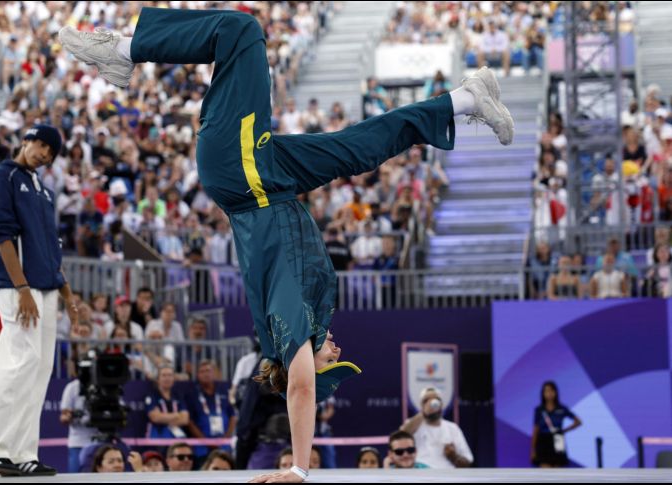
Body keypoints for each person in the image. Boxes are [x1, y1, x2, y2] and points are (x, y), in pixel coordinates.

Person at [61, 9, 513, 481]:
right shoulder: (303, 317)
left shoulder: (289, 326)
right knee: (359, 147)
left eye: (330, 364)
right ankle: (463, 100)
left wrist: (299, 467)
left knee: (241, 30)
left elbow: (300, 388)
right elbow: (302, 379)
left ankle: (121, 52)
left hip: (245, 176)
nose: (338, 353)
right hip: (271, 180)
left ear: (305, 364)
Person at [0, 124, 79, 477]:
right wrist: (21, 289)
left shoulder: (43, 191)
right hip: (18, 285)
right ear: (27, 140)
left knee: (39, 369)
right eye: (42, 145)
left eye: (51, 152)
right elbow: (0, 234)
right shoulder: (1, 178)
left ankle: (21, 452)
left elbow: (51, 247)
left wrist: (67, 295)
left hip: (47, 286)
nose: (45, 154)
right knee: (19, 359)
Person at [400, 388, 473, 469]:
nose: (431, 403)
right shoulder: (413, 423)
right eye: (426, 401)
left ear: (441, 404)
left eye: (436, 400)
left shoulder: (452, 428)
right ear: (421, 406)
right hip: (421, 474)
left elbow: (468, 461)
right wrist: (424, 413)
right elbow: (401, 436)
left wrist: (453, 456)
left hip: (447, 475)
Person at [531, 381, 582, 468]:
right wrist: (533, 449)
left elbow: (578, 421)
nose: (549, 393)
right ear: (543, 393)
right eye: (546, 391)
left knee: (558, 470)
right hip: (543, 439)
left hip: (558, 439)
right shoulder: (539, 410)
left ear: (555, 392)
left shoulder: (562, 408)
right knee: (545, 470)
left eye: (551, 390)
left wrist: (565, 430)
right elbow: (536, 429)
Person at [60, 378, 99, 473]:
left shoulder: (107, 384)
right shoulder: (72, 387)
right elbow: (64, 415)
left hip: (103, 442)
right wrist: (69, 417)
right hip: (78, 443)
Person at [145, 364, 189, 439]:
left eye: (170, 375)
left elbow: (185, 419)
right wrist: (177, 415)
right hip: (157, 437)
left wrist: (163, 417)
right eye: (164, 375)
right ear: (158, 379)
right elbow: (155, 417)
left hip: (176, 436)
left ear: (174, 379)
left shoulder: (178, 396)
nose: (167, 378)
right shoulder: (152, 396)